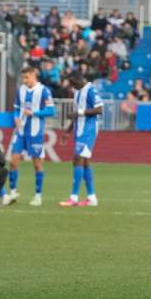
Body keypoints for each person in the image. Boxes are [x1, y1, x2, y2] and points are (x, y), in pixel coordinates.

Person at [8, 67, 55, 206]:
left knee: (37, 164)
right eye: (23, 78)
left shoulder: (44, 91)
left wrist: (34, 113)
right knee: (13, 161)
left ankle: (38, 195)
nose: (24, 80)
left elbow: (51, 111)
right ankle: (13, 192)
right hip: (21, 131)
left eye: (27, 77)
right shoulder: (21, 90)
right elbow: (16, 108)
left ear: (34, 75)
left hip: (35, 132)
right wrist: (16, 118)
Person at [59, 72, 103, 207]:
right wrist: (67, 131)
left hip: (88, 131)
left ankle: (73, 197)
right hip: (79, 130)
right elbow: (77, 114)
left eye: (73, 84)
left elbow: (99, 109)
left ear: (79, 80)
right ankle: (91, 197)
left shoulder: (91, 90)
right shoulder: (78, 92)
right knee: (84, 162)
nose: (72, 87)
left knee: (77, 159)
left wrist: (80, 112)